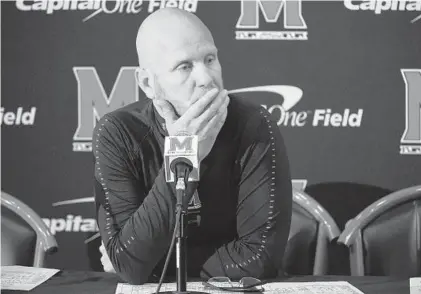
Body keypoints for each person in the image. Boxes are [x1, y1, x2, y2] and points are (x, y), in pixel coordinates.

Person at [93, 7, 292, 285]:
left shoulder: (253, 125)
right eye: (184, 66)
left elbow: (258, 260)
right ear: (149, 84)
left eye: (210, 59)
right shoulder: (118, 132)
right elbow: (130, 263)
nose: (207, 78)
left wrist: (153, 264)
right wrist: (184, 152)